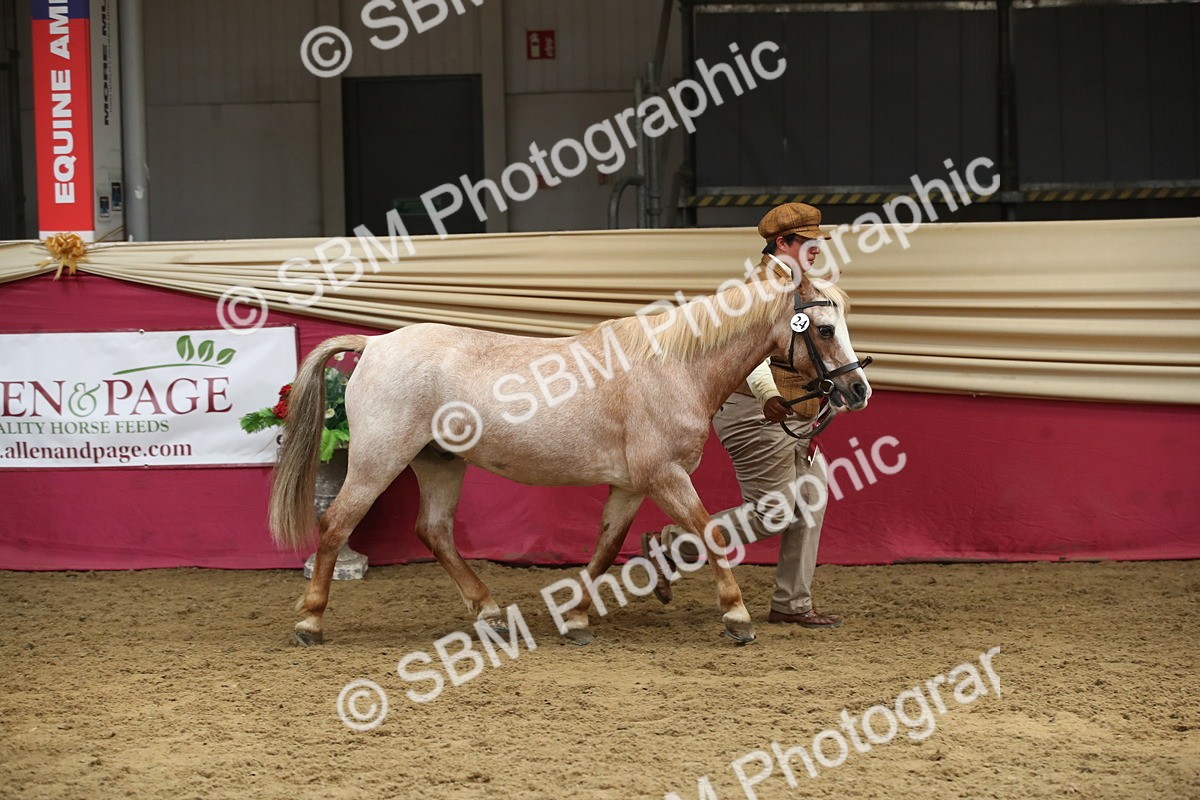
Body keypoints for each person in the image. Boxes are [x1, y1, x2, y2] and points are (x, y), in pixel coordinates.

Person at [642, 202, 843, 628]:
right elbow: (746, 357)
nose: (818, 248)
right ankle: (674, 547)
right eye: (808, 242)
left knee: (811, 499)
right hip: (756, 410)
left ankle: (792, 602)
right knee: (773, 512)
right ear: (783, 244)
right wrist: (770, 395)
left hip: (797, 412)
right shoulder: (756, 291)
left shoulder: (805, 288)